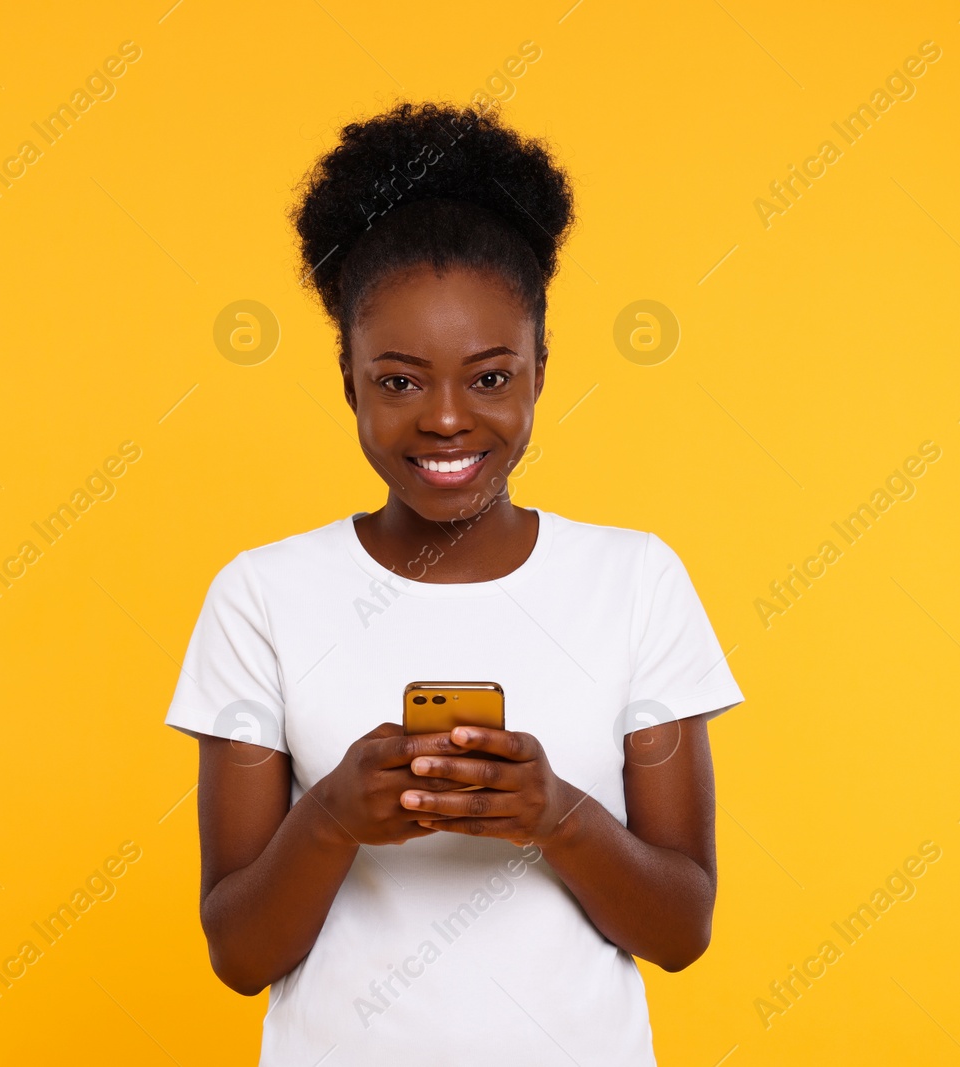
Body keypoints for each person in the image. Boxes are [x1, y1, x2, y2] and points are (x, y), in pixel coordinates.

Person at [165, 100, 744, 1067]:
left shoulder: (636, 580)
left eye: (488, 377)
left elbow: (681, 929)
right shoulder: (261, 597)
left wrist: (554, 815)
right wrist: (332, 818)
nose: (444, 420)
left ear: (540, 372)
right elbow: (238, 951)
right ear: (347, 378)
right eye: (398, 380)